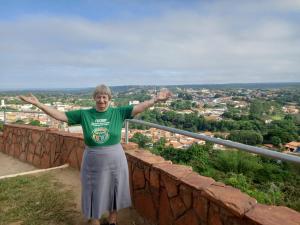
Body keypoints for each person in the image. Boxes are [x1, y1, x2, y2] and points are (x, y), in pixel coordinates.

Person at [19, 84, 172, 225]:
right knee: (92, 189)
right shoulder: (85, 114)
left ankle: (113, 219)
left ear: (109, 99)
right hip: (93, 159)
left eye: (105, 97)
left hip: (116, 159)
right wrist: (38, 104)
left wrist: (156, 100)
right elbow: (60, 115)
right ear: (94, 98)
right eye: (98, 96)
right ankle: (94, 219)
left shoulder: (118, 112)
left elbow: (140, 107)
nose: (101, 100)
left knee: (115, 188)